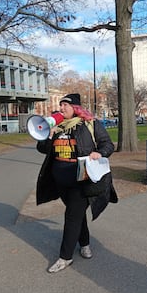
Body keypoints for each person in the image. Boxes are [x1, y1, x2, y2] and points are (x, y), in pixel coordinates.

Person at [35, 93, 118, 273]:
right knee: (77, 214)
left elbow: (108, 144)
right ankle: (85, 243)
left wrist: (100, 153)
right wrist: (48, 136)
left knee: (72, 216)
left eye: (66, 105)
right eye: (61, 104)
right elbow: (42, 149)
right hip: (60, 181)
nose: (62, 108)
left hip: (81, 180)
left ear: (76, 108)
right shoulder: (57, 126)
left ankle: (65, 257)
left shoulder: (90, 124)